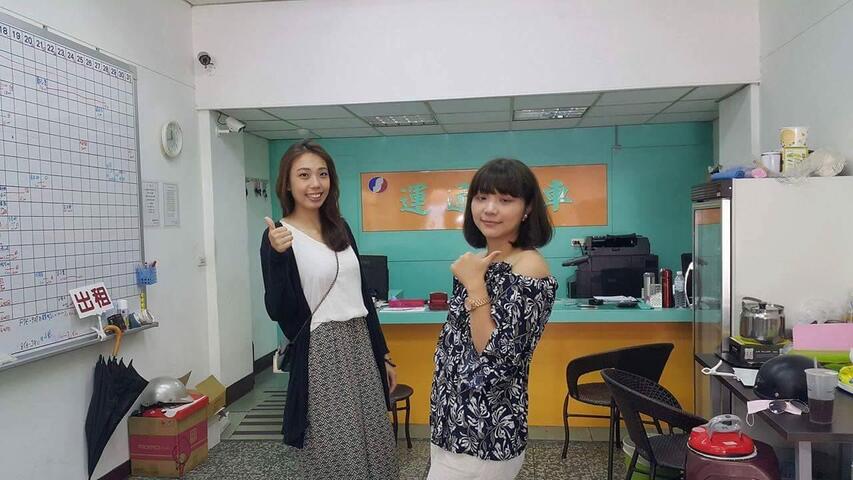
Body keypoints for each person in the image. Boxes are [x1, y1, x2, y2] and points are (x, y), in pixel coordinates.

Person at [260, 140, 399, 479]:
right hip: (322, 350)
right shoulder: (278, 236)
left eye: (322, 174)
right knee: (336, 446)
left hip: (360, 344)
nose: (315, 183)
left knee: (375, 440)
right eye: (304, 175)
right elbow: (277, 309)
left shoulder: (341, 228)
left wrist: (382, 353)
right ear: (287, 183)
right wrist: (277, 258)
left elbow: (363, 297)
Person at [429, 158, 558, 480]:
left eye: (505, 200)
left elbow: (496, 357)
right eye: (482, 197)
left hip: (486, 429)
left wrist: (474, 284)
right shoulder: (480, 263)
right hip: (452, 419)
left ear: (527, 208)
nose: (489, 209)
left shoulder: (528, 268)